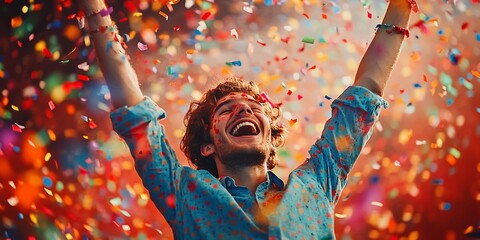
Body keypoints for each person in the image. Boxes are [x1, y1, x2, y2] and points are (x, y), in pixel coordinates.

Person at [79, 0, 416, 238]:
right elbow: (134, 110)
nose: (243, 110)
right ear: (208, 146)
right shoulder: (184, 191)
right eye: (226, 109)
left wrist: (402, 4)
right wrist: (94, 9)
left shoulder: (317, 182)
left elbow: (366, 91)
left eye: (253, 108)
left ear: (270, 137)